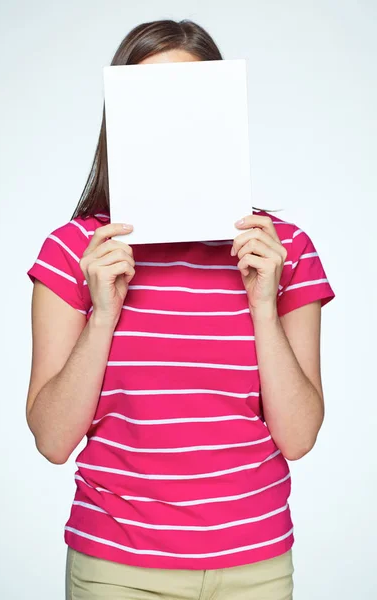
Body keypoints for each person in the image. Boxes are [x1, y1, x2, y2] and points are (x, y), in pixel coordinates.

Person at [26, 19, 335, 600]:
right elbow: (51, 440)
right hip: (116, 568)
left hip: (256, 567)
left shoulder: (283, 249)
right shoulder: (73, 252)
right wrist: (104, 317)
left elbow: (298, 437)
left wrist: (263, 307)